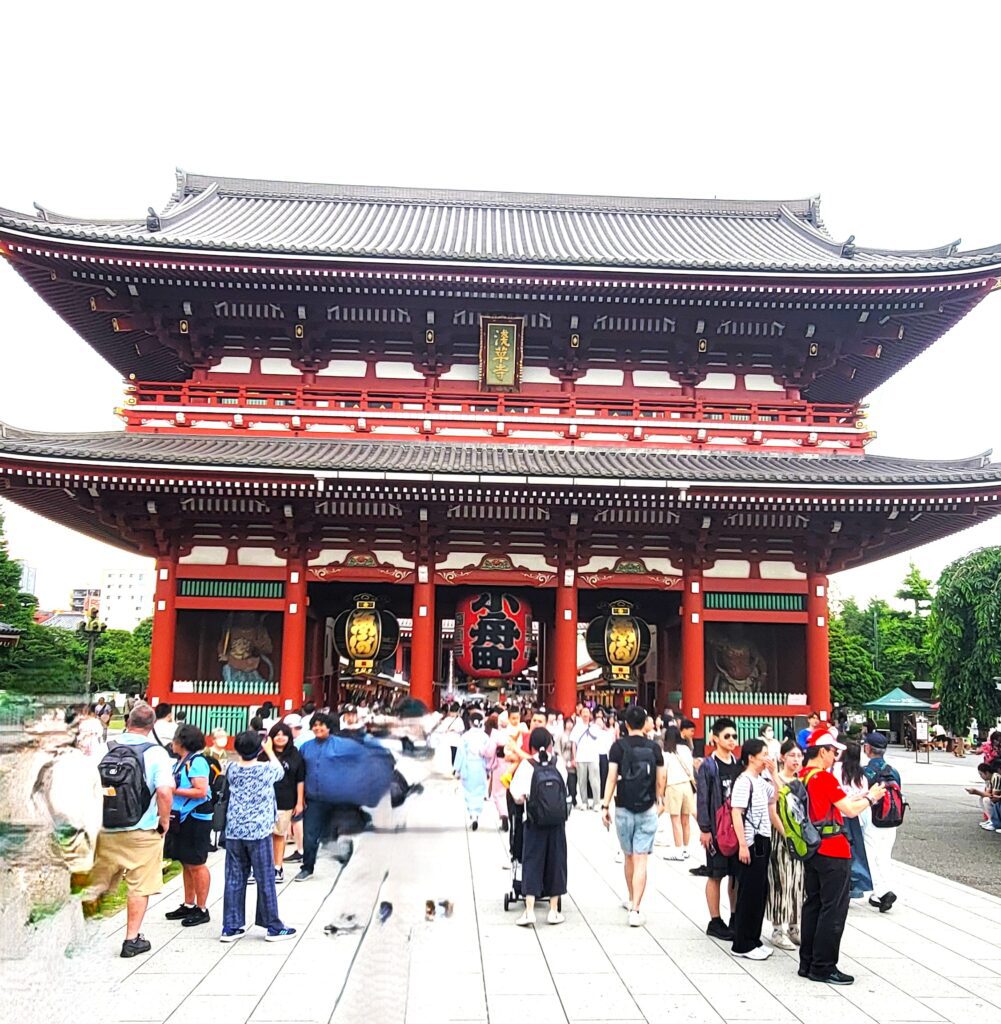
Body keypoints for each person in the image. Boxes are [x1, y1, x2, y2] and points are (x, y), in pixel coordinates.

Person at [84, 704, 174, 958]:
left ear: (127, 721)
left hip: (104, 827)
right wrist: (164, 821)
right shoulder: (156, 753)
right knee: (139, 886)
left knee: (97, 883)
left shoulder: (104, 748)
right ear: (151, 726)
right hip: (141, 829)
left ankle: (83, 935)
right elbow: (164, 791)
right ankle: (131, 939)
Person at [798, 727, 886, 985]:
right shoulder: (824, 778)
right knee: (833, 909)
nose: (835, 756)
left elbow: (836, 804)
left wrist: (861, 797)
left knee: (813, 905)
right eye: (833, 751)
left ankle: (807, 962)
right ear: (822, 752)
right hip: (833, 848)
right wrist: (871, 797)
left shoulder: (803, 776)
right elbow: (849, 811)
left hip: (812, 847)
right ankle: (824, 966)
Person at [221, 730, 295, 942]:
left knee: (234, 878)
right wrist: (269, 751)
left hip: (235, 829)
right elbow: (280, 772)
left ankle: (231, 926)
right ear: (259, 749)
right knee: (265, 878)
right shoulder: (265, 769)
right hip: (259, 831)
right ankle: (272, 925)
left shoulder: (232, 768)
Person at [602, 705, 666, 926]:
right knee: (641, 858)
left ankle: (631, 899)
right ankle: (636, 910)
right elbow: (661, 778)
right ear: (645, 723)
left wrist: (605, 805)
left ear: (626, 724)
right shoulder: (654, 748)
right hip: (647, 808)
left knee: (628, 855)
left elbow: (611, 778)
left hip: (623, 807)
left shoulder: (618, 747)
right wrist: (660, 799)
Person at [509, 726, 568, 926]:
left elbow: (516, 795)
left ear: (531, 746)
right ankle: (553, 910)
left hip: (534, 822)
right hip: (557, 821)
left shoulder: (527, 765)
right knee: (556, 861)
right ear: (550, 744)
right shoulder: (559, 763)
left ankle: (529, 910)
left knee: (532, 861)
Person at [730, 738, 782, 960]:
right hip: (751, 841)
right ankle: (742, 944)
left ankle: (754, 939)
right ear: (751, 757)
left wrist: (774, 773)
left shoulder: (760, 780)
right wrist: (743, 844)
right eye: (764, 755)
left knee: (760, 892)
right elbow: (736, 812)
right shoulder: (744, 781)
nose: (767, 759)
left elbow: (775, 796)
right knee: (749, 893)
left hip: (763, 839)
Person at [162, 724, 214, 927]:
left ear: (182, 742)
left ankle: (202, 908)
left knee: (197, 862)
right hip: (182, 817)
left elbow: (201, 791)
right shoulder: (181, 762)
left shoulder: (197, 762)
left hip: (196, 817)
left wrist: (173, 790)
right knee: (186, 861)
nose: (172, 743)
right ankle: (188, 903)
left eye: (175, 739)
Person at [696, 718, 742, 940]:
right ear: (715, 738)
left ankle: (734, 916)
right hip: (716, 828)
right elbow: (702, 798)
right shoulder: (708, 766)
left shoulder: (738, 764)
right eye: (727, 736)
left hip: (736, 829)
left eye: (734, 736)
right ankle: (715, 921)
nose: (732, 740)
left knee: (735, 875)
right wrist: (705, 828)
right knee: (715, 874)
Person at [767, 740, 805, 950]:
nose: (796, 760)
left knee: (798, 881)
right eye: (792, 755)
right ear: (783, 757)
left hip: (799, 838)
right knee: (781, 880)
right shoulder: (775, 779)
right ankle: (777, 928)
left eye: (799, 756)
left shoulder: (802, 780)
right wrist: (787, 834)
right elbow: (774, 811)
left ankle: (794, 925)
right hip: (781, 837)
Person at [860, 731, 901, 912]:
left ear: (867, 748)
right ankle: (882, 891)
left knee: (871, 856)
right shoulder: (894, 771)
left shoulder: (865, 772)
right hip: (892, 818)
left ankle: (883, 892)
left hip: (872, 818)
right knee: (884, 856)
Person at [834, 741, 873, 901]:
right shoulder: (861, 774)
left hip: (839, 815)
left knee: (841, 853)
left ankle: (842, 887)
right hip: (855, 816)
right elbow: (865, 794)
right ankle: (855, 886)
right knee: (855, 852)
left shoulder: (836, 769)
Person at [269, 722, 305, 882]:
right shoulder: (264, 755)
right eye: (277, 734)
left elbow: (300, 780)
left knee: (279, 834)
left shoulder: (295, 755)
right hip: (264, 801)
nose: (280, 737)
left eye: (284, 734)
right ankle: (263, 866)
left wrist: (299, 802)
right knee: (264, 836)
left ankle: (277, 867)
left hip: (285, 800)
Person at [662, 724, 696, 861]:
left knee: (675, 820)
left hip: (673, 786)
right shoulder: (686, 749)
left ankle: (678, 850)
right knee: (686, 820)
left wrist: (661, 792)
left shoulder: (667, 753)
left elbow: (663, 774)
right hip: (687, 786)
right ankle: (686, 849)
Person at [454, 710, 491, 831]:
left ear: (470, 722)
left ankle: (472, 815)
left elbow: (460, 753)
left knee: (468, 791)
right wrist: (488, 768)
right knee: (479, 791)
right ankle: (477, 814)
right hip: (480, 766)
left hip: (468, 766)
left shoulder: (465, 736)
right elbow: (488, 754)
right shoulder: (485, 737)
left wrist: (457, 769)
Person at [570, 707, 601, 811]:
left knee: (595, 780)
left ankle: (596, 803)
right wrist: (574, 757)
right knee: (582, 780)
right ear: (580, 714)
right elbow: (574, 743)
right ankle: (584, 802)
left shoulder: (595, 727)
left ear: (590, 714)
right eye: (583, 712)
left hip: (593, 757)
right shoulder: (577, 727)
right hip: (581, 757)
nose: (585, 714)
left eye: (587, 712)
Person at [967, 760, 1001, 830]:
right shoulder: (988, 779)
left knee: (986, 800)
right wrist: (979, 793)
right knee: (982, 798)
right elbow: (987, 793)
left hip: (998, 799)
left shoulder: (996, 777)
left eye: (981, 774)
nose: (981, 777)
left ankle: (994, 822)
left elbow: (993, 795)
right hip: (997, 798)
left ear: (987, 773)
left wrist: (976, 792)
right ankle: (990, 819)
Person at [556, 716, 577, 809]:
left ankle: (573, 799)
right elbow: (558, 749)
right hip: (563, 760)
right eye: (567, 722)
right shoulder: (561, 736)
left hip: (573, 762)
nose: (569, 725)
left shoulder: (575, 735)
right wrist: (562, 761)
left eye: (571, 723)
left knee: (572, 782)